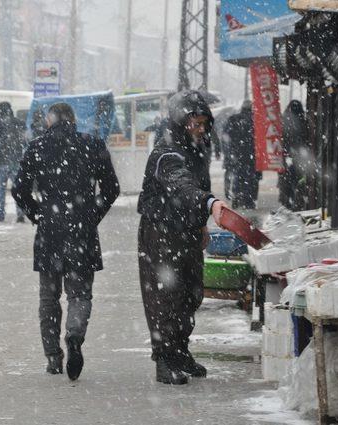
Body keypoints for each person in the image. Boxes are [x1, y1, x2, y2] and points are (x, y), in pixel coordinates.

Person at [12, 103, 119, 381]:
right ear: (72, 120)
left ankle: (53, 358)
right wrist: (92, 213)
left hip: (50, 229)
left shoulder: (37, 146)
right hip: (82, 228)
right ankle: (74, 335)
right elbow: (112, 188)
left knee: (49, 298)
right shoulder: (92, 144)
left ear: (49, 121)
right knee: (79, 294)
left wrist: (38, 214)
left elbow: (19, 189)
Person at [137, 90, 227, 385]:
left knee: (191, 293)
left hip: (187, 230)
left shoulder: (198, 149)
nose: (201, 130)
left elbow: (200, 183)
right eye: (195, 124)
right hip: (161, 232)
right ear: (180, 122)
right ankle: (163, 360)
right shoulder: (166, 153)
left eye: (204, 124)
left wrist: (201, 222)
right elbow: (182, 187)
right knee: (164, 296)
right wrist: (210, 203)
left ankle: (180, 351)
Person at [0, 101, 27, 222]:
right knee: (17, 189)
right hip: (16, 162)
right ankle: (20, 214)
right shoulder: (20, 124)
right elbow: (24, 142)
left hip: (2, 162)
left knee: (1, 190)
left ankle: (0, 214)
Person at [224, 101, 259, 209]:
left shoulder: (233, 119)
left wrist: (229, 153)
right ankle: (249, 200)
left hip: (237, 155)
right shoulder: (256, 120)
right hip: (252, 155)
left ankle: (237, 197)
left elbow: (226, 138)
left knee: (238, 176)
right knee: (252, 178)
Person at [279, 100, 310, 211]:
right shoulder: (304, 121)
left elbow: (281, 138)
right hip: (300, 157)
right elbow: (306, 138)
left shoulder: (283, 120)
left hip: (287, 155)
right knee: (298, 180)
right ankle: (297, 203)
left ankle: (287, 203)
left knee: (286, 180)